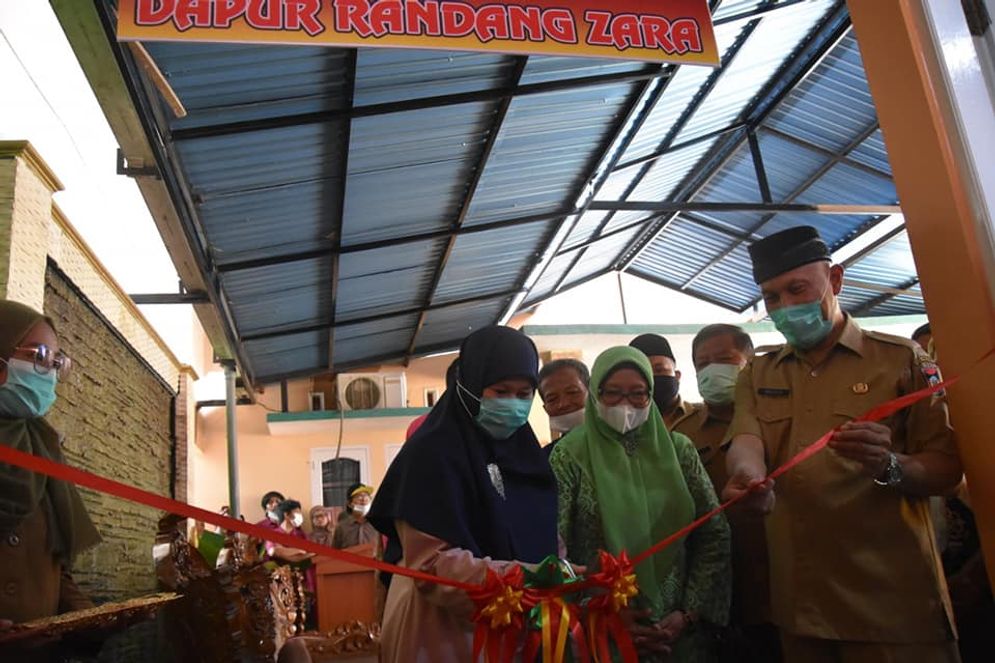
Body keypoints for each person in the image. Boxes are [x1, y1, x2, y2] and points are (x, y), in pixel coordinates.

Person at [722, 226, 962, 662]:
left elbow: (947, 469)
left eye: (797, 289)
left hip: (893, 603)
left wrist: (889, 465)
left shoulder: (901, 360)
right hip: (802, 605)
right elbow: (747, 439)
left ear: (834, 281)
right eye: (772, 298)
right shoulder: (759, 373)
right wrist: (747, 479)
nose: (785, 307)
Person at [368, 326, 560, 662]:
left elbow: (544, 530)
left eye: (524, 393)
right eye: (501, 391)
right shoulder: (431, 453)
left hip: (522, 628)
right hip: (443, 632)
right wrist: (530, 577)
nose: (513, 404)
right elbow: (432, 565)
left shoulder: (525, 453)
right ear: (470, 386)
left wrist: (561, 571)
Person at [551, 346, 730, 662]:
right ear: (595, 394)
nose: (626, 404)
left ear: (651, 396)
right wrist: (596, 616)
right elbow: (556, 551)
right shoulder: (569, 456)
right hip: (601, 631)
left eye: (638, 394)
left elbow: (713, 533)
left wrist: (688, 613)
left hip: (678, 630)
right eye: (613, 394)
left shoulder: (678, 452)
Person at [0, 300, 102, 653]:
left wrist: (94, 622)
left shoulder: (41, 449)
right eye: (40, 356)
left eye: (57, 362)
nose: (50, 372)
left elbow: (54, 568)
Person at [672, 325, 778, 662]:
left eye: (724, 359)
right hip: (719, 593)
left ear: (749, 361)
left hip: (782, 584)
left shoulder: (778, 423)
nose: (712, 370)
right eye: (702, 363)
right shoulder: (682, 435)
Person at [629, 333, 691, 428]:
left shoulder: (700, 417)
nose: (651, 378)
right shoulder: (623, 422)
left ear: (677, 376)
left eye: (659, 370)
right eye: (642, 372)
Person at [537, 357, 590, 453]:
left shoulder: (620, 445)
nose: (563, 404)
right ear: (545, 409)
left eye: (572, 392)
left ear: (592, 392)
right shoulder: (546, 459)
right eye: (552, 399)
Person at [332, 483, 378, 549]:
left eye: (366, 496)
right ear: (349, 504)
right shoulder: (342, 527)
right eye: (358, 496)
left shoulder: (378, 524)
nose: (363, 499)